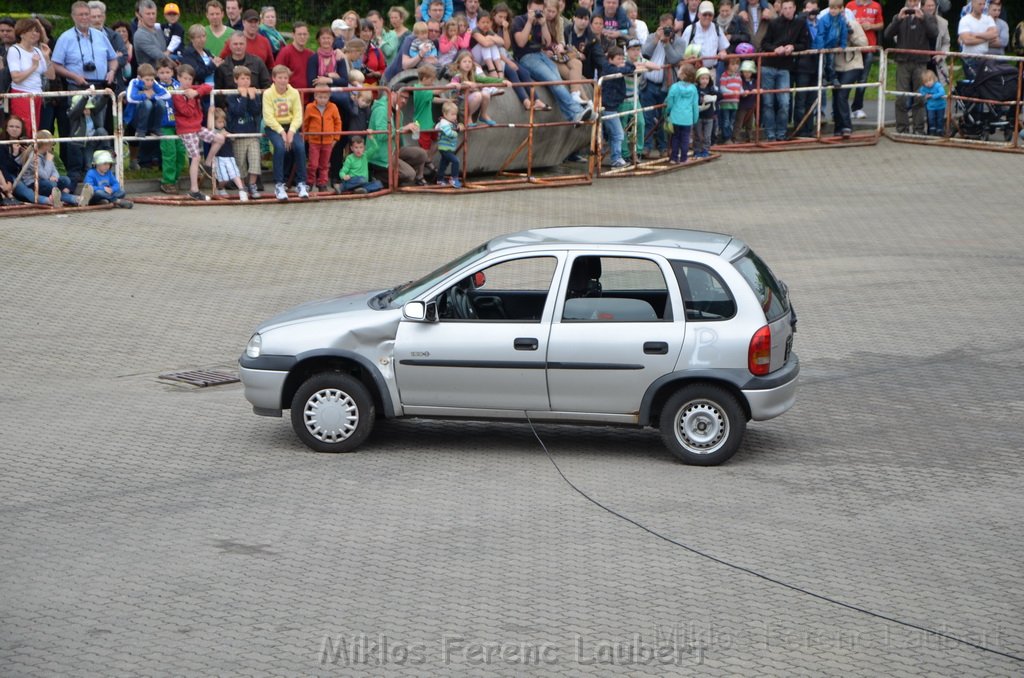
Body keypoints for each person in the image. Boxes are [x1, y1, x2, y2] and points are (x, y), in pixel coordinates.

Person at [51, 0, 118, 185]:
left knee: (99, 129)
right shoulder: (65, 37)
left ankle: (98, 169)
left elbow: (113, 59)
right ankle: (76, 172)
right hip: (77, 87)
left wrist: (111, 71)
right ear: (73, 16)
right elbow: (55, 65)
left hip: (100, 87)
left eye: (86, 14)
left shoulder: (100, 35)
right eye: (80, 14)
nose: (84, 18)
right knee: (78, 131)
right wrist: (74, 76)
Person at [513, 0, 591, 122]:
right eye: (534, 10)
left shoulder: (541, 21)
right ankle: (577, 111)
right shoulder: (519, 21)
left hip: (541, 54)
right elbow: (521, 43)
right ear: (528, 8)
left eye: (539, 10)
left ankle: (573, 116)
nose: (537, 13)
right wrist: (529, 21)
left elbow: (547, 42)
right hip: (526, 57)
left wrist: (543, 25)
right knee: (554, 81)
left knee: (558, 81)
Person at [759, 0, 810, 141]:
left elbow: (805, 44)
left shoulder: (800, 24)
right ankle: (770, 134)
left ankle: (781, 134)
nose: (787, 10)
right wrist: (774, 49)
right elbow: (764, 43)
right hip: (769, 65)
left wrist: (793, 47)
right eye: (785, 8)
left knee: (784, 102)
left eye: (790, 8)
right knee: (768, 102)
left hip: (784, 68)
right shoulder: (774, 23)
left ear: (794, 9)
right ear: (781, 10)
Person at [172, 62, 224, 201]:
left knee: (220, 138)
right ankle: (194, 189)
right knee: (195, 157)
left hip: (197, 126)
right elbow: (187, 112)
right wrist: (191, 97)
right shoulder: (177, 94)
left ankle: (207, 163)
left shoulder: (192, 89)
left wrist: (196, 92)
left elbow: (208, 86)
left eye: (190, 79)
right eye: (185, 78)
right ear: (179, 78)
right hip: (186, 129)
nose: (188, 82)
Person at [884, 0, 937, 134]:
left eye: (915, 0)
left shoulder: (928, 16)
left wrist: (923, 19)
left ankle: (919, 129)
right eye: (910, 0)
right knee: (901, 96)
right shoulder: (900, 16)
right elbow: (887, 35)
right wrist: (898, 19)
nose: (912, 3)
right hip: (903, 61)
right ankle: (902, 129)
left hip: (920, 61)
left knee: (919, 96)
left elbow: (934, 34)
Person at [263, 64, 310, 200]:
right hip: (274, 127)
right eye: (280, 77)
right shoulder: (268, 94)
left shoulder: (294, 92)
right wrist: (282, 132)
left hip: (291, 126)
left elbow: (298, 115)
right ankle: (279, 184)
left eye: (285, 77)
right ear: (274, 78)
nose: (283, 80)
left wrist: (291, 131)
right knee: (280, 147)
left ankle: (301, 183)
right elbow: (268, 116)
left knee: (300, 147)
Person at [365, 87, 428, 186]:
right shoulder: (382, 110)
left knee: (422, 154)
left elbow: (398, 136)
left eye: (406, 98)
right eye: (401, 96)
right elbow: (382, 135)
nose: (403, 100)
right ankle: (376, 176)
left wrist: (405, 131)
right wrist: (402, 130)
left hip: (393, 150)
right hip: (379, 155)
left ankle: (397, 175)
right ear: (392, 94)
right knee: (410, 175)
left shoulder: (399, 112)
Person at [641, 14, 685, 158]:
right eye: (663, 26)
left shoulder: (679, 41)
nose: (666, 29)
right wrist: (656, 40)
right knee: (647, 118)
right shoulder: (651, 37)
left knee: (663, 119)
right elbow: (644, 54)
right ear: (659, 25)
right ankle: (646, 147)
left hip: (666, 86)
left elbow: (674, 59)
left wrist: (666, 43)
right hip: (648, 85)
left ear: (673, 26)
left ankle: (663, 147)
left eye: (669, 27)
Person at [7, 19, 54, 137]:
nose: (35, 34)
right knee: (24, 130)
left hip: (37, 95)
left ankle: (32, 154)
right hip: (22, 95)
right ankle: (21, 154)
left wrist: (46, 57)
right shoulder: (14, 50)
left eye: (37, 31)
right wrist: (34, 66)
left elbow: (51, 76)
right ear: (22, 33)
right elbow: (16, 78)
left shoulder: (38, 50)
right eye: (31, 31)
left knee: (34, 130)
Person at [19, 129, 91, 206]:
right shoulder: (34, 157)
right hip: (35, 184)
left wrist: (54, 176)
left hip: (49, 182)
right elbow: (44, 175)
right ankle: (77, 199)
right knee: (51, 185)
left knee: (65, 180)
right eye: (51, 144)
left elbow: (54, 171)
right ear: (45, 145)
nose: (52, 146)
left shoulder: (47, 154)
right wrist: (49, 161)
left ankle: (76, 199)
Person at [599, 45, 640, 167]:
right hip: (608, 106)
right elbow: (624, 70)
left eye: (622, 59)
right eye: (618, 59)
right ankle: (616, 159)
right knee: (618, 133)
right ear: (610, 59)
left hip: (613, 105)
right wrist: (626, 66)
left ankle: (611, 157)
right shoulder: (608, 68)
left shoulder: (615, 66)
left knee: (612, 134)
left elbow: (630, 67)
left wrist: (627, 65)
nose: (621, 62)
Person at [225, 65, 262, 197]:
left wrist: (252, 98)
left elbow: (256, 111)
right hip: (238, 134)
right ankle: (243, 186)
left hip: (252, 134)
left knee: (255, 159)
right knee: (240, 162)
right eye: (242, 78)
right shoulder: (231, 96)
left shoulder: (254, 93)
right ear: (236, 80)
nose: (245, 81)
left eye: (248, 78)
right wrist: (244, 97)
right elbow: (238, 112)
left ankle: (252, 185)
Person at [845, 0, 882, 119]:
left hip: (869, 47)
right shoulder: (850, 6)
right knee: (848, 79)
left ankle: (857, 108)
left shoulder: (876, 6)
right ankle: (843, 108)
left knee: (863, 79)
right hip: (853, 48)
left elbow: (881, 24)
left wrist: (871, 26)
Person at [832, 11, 866, 138]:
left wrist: (851, 35)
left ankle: (847, 126)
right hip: (836, 66)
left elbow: (864, 43)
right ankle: (838, 127)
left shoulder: (854, 24)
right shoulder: (829, 25)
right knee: (836, 96)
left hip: (854, 65)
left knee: (842, 93)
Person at [154, 58, 186, 193]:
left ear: (172, 72)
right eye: (162, 72)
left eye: (167, 72)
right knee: (169, 153)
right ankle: (168, 181)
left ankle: (175, 178)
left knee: (181, 152)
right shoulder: (155, 86)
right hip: (164, 125)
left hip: (179, 124)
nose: (165, 75)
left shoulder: (179, 86)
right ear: (157, 73)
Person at [303, 85, 342, 192]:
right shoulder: (310, 107)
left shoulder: (333, 107)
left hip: (328, 141)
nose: (322, 100)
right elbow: (305, 123)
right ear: (315, 96)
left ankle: (322, 183)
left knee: (324, 164)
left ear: (329, 97)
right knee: (313, 163)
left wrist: (336, 138)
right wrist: (306, 137)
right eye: (320, 97)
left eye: (325, 97)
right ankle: (310, 182)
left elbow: (338, 123)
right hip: (314, 141)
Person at [124, 63, 171, 141]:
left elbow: (167, 94)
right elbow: (130, 98)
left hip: (150, 117)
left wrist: (153, 96)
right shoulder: (134, 82)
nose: (150, 82)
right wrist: (144, 95)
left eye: (152, 80)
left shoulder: (154, 83)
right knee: (147, 103)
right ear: (139, 78)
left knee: (161, 103)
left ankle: (156, 128)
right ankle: (140, 130)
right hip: (135, 117)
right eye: (147, 80)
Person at [210, 107, 249, 199]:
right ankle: (220, 188)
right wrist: (220, 136)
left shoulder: (225, 129)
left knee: (234, 173)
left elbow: (233, 138)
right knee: (224, 178)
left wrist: (229, 135)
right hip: (219, 157)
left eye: (223, 121)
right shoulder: (213, 131)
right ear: (214, 122)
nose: (222, 124)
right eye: (219, 122)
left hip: (229, 156)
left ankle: (241, 190)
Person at [665, 61, 699, 162]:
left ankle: (674, 158)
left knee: (675, 138)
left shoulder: (674, 87)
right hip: (687, 119)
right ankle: (684, 158)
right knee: (685, 139)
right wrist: (695, 118)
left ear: (683, 74)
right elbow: (695, 105)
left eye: (680, 69)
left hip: (675, 117)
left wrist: (667, 112)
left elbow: (670, 102)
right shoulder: (693, 89)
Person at [681, 1, 730, 68]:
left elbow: (723, 49)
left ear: (713, 16)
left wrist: (722, 53)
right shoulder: (690, 29)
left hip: (711, 72)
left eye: (710, 15)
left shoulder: (717, 28)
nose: (707, 17)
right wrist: (688, 59)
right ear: (699, 15)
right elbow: (681, 52)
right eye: (705, 14)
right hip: (694, 71)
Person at [621, 38, 648, 158]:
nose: (636, 52)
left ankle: (638, 151)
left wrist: (643, 65)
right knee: (622, 127)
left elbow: (656, 66)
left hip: (635, 98)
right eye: (633, 50)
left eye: (638, 49)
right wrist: (637, 66)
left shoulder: (641, 59)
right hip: (622, 99)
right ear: (627, 51)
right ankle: (625, 153)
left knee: (641, 123)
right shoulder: (623, 60)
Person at [957, 0, 997, 77]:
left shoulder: (988, 19)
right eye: (980, 4)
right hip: (970, 59)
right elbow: (967, 40)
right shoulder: (965, 20)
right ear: (973, 4)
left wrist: (976, 35)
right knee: (973, 85)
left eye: (984, 4)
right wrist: (986, 38)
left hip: (984, 58)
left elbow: (994, 34)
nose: (982, 7)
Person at [274, 22, 310, 92]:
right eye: (299, 34)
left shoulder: (310, 54)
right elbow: (277, 73)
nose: (302, 37)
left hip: (308, 97)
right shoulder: (285, 52)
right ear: (293, 35)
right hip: (290, 97)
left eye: (304, 34)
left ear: (308, 35)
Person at [434, 101, 464, 187]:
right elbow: (449, 133)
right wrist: (457, 132)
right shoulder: (444, 123)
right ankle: (454, 179)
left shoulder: (450, 122)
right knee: (456, 161)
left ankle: (440, 179)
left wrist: (460, 125)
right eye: (452, 114)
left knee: (444, 164)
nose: (455, 116)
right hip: (445, 148)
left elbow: (457, 125)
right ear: (445, 114)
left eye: (455, 114)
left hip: (448, 148)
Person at [133, 0, 168, 69]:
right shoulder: (140, 35)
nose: (151, 17)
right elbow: (160, 56)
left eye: (153, 13)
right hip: (149, 76)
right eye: (148, 14)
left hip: (165, 74)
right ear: (140, 16)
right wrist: (177, 66)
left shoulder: (159, 30)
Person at [693, 66, 718, 156]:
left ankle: (705, 150)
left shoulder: (711, 89)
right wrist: (700, 101)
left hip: (709, 116)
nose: (705, 81)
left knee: (707, 136)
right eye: (702, 78)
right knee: (698, 135)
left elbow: (720, 96)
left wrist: (713, 97)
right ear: (698, 79)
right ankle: (697, 150)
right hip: (698, 116)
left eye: (707, 78)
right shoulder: (695, 89)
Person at [717, 57, 742, 142]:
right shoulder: (724, 76)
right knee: (726, 121)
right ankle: (726, 138)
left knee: (732, 121)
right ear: (727, 65)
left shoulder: (738, 76)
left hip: (735, 102)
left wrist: (743, 92)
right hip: (726, 102)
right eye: (733, 64)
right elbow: (722, 88)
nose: (735, 66)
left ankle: (730, 137)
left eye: (737, 64)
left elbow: (740, 87)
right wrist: (732, 92)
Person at [734, 59, 757, 140]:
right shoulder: (741, 81)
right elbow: (740, 89)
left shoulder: (754, 81)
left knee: (750, 124)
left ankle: (749, 137)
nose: (747, 74)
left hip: (751, 105)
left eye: (749, 72)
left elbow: (759, 88)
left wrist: (756, 90)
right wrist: (744, 92)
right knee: (739, 122)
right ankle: (735, 137)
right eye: (745, 72)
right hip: (742, 106)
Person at [918, 68, 946, 135]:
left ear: (934, 79)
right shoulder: (924, 88)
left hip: (940, 106)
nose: (928, 83)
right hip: (930, 106)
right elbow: (921, 90)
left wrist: (933, 96)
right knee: (931, 119)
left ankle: (940, 130)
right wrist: (925, 94)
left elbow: (942, 92)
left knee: (940, 119)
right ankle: (932, 130)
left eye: (929, 80)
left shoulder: (938, 85)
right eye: (926, 82)